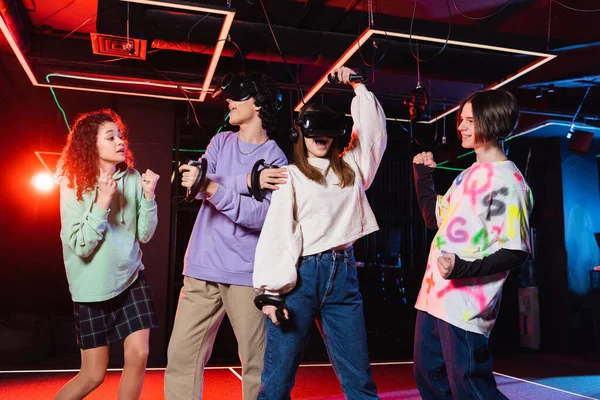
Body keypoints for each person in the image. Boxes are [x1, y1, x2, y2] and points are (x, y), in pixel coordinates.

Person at [252, 66, 387, 399]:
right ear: (301, 135)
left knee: (359, 379)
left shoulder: (352, 169)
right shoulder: (290, 176)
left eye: (326, 133)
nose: (320, 139)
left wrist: (358, 86)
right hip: (301, 277)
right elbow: (278, 232)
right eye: (313, 134)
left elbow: (373, 136)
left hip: (343, 275)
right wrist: (271, 292)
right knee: (278, 378)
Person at [164, 71, 288, 400]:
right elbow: (198, 183)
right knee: (180, 358)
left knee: (256, 366)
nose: (229, 102)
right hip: (202, 268)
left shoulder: (277, 159)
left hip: (246, 275)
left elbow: (260, 217)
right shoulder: (220, 142)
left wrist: (215, 186)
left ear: (259, 103)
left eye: (237, 97)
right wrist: (248, 183)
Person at [412, 89, 533, 399]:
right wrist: (422, 175)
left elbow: (515, 250)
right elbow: (433, 219)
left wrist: (463, 267)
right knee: (431, 381)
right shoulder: (467, 175)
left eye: (469, 120)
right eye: (461, 120)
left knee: (470, 388)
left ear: (491, 123)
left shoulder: (509, 182)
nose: (461, 127)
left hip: (466, 307)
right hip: (433, 299)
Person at [55, 109, 160, 400]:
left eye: (120, 135)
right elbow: (82, 246)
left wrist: (149, 198)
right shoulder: (72, 183)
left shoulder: (134, 177)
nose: (120, 142)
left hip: (130, 279)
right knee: (93, 375)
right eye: (110, 136)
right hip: (92, 289)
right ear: (91, 145)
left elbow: (145, 235)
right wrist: (102, 201)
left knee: (139, 354)